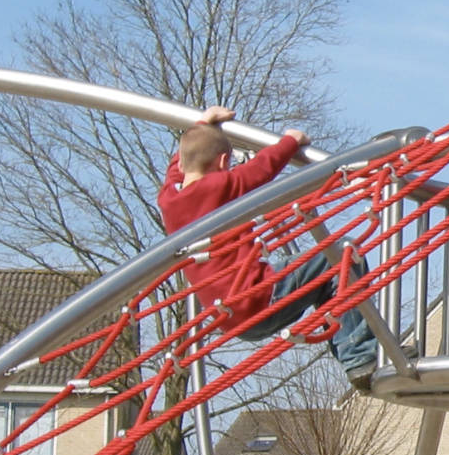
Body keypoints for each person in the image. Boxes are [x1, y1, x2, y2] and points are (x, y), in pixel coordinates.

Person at [158, 106, 378, 389]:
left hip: (228, 319)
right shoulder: (221, 185)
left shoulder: (168, 201)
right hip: (258, 296)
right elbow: (262, 168)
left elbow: (174, 173)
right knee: (343, 255)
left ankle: (351, 349)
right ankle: (358, 355)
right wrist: (291, 140)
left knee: (326, 277)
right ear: (224, 162)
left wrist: (202, 123)